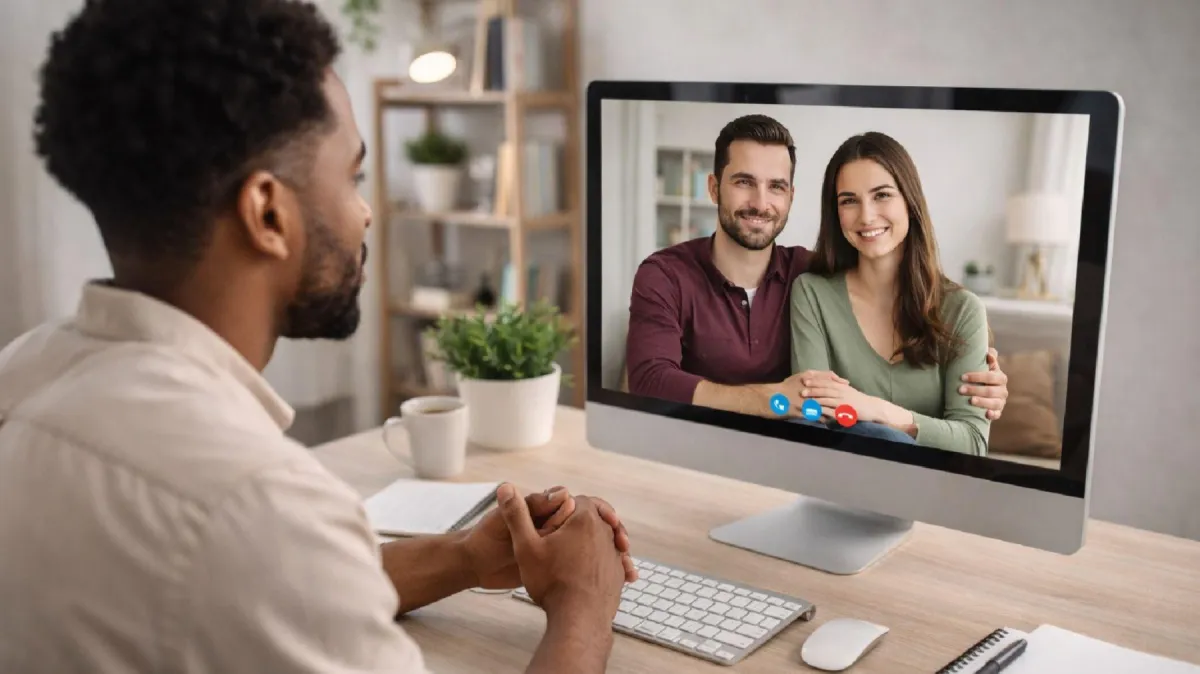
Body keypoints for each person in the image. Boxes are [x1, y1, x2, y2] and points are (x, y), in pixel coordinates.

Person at [0, 1, 632, 672]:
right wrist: (582, 605)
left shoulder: (25, 374)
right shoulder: (256, 502)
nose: (365, 213)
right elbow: (269, 553)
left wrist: (467, 558)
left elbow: (268, 586)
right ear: (268, 212)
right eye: (353, 176)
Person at [625, 114, 1011, 422]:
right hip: (691, 453)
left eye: (776, 186)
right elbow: (647, 380)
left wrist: (985, 379)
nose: (760, 202)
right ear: (713, 188)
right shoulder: (665, 275)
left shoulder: (810, 275)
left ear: (791, 196)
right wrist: (771, 400)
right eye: (744, 182)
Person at [789, 132, 990, 455]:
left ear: (909, 202)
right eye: (849, 200)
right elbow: (813, 415)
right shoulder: (812, 294)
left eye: (881, 195)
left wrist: (875, 410)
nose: (866, 216)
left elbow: (973, 444)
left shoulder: (963, 309)